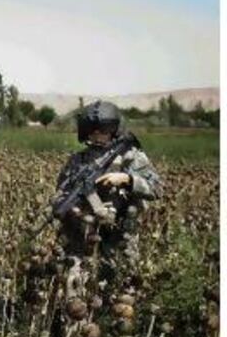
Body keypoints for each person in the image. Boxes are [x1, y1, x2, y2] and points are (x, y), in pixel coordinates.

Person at [54, 100, 162, 299]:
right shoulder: (78, 161)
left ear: (114, 130)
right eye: (93, 131)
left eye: (103, 130)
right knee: (73, 288)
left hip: (118, 238)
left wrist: (126, 179)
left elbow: (156, 188)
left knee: (120, 292)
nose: (97, 135)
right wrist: (75, 210)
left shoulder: (130, 155)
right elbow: (61, 193)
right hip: (82, 239)